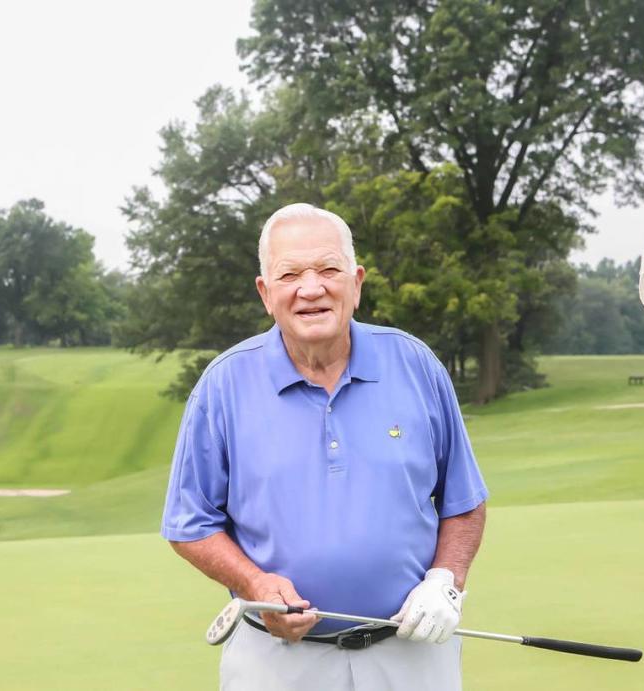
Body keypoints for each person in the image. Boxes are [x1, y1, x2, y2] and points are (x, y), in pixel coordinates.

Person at [161, 202, 488, 690]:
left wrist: (446, 582)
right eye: (289, 274)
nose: (310, 288)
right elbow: (189, 524)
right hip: (276, 661)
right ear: (265, 292)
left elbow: (464, 501)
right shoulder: (223, 385)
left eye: (328, 270)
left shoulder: (416, 365)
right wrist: (254, 583)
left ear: (356, 282)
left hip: (409, 656)